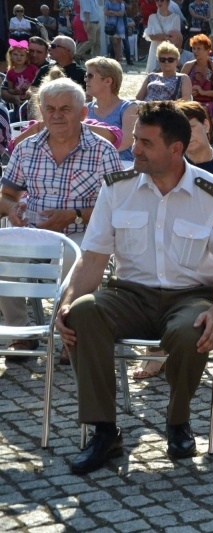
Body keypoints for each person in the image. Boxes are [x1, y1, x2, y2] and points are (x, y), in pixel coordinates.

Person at [54, 101, 213, 475]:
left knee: (194, 330)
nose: (133, 149)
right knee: (82, 313)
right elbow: (93, 258)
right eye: (135, 139)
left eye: (144, 143)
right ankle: (104, 430)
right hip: (129, 294)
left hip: (190, 296)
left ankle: (177, 422)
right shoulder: (117, 189)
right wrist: (68, 301)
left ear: (176, 149)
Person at [0, 78, 123, 362]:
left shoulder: (103, 151)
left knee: (75, 263)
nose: (56, 115)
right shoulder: (27, 148)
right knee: (3, 258)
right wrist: (12, 209)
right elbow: (6, 194)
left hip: (83, 232)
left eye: (65, 109)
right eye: (50, 108)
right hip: (35, 232)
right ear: (41, 112)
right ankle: (21, 333)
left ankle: (70, 332)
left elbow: (118, 208)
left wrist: (75, 215)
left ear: (82, 114)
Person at [85, 58, 138, 165]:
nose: (86, 80)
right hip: (91, 165)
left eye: (90, 76)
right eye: (86, 76)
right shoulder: (85, 109)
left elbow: (127, 141)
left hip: (122, 165)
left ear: (108, 81)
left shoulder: (129, 108)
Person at [181, 34, 213, 131]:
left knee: (202, 108)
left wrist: (204, 92)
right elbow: (179, 86)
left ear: (207, 50)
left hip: (209, 101)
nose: (195, 51)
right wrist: (189, 92)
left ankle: (207, 134)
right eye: (193, 48)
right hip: (190, 100)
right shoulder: (188, 66)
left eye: (199, 49)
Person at [143, 0, 182, 73]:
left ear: (168, 2)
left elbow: (177, 38)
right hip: (155, 50)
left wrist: (160, 36)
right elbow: (151, 37)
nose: (159, 3)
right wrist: (167, 36)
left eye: (162, 0)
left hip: (169, 51)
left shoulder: (176, 18)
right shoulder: (152, 17)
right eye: (157, 1)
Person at [5, 40, 39, 109]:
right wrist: (15, 91)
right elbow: (10, 89)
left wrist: (31, 86)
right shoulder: (10, 72)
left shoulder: (33, 68)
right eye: (15, 54)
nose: (18, 57)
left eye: (22, 55)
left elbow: (40, 82)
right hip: (19, 101)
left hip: (33, 100)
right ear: (10, 55)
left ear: (26, 57)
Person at [105, 0, 133, 65]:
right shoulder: (108, 2)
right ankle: (116, 59)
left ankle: (118, 59)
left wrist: (111, 12)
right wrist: (116, 13)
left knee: (118, 43)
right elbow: (105, 12)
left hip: (120, 25)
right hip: (111, 25)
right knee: (114, 43)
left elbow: (122, 14)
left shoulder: (121, 3)